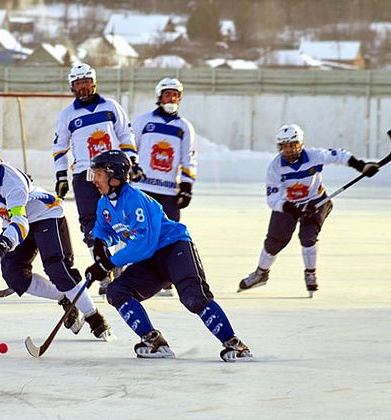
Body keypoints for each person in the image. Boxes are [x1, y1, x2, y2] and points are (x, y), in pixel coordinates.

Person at [85, 150, 252, 361]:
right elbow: (105, 228)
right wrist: (100, 245)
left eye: (98, 174)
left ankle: (235, 344)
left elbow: (143, 245)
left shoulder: (135, 200)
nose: (94, 180)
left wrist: (107, 264)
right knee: (117, 290)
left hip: (174, 248)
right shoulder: (104, 203)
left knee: (194, 297)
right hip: (152, 260)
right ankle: (154, 341)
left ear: (114, 175)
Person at [0, 137, 112, 340]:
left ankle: (94, 318)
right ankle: (65, 298)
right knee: (13, 274)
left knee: (57, 269)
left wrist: (3, 243)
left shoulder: (13, 183)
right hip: (15, 223)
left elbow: (21, 222)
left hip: (45, 216)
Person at [238, 123, 380, 297]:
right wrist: (294, 210)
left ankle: (310, 273)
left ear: (301, 144)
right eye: (284, 146)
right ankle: (261, 274)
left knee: (308, 236)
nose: (289, 150)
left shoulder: (315, 155)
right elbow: (273, 199)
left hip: (317, 201)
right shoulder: (275, 168)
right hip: (289, 205)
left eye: (293, 145)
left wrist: (361, 166)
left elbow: (339, 155)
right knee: (274, 241)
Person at [51, 63, 145, 294]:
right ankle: (104, 271)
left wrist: (132, 161)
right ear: (72, 87)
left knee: (122, 218)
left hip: (113, 169)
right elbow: (60, 147)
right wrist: (61, 175)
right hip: (86, 173)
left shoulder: (111, 106)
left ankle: (122, 266)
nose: (83, 87)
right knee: (91, 224)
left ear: (94, 83)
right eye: (78, 84)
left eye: (86, 82)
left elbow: (125, 134)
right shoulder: (67, 115)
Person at [132, 77, 197, 297]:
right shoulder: (143, 122)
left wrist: (187, 184)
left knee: (169, 234)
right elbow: (130, 149)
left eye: (175, 95)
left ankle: (166, 276)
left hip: (169, 190)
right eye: (168, 94)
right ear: (159, 97)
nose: (172, 98)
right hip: (143, 187)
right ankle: (130, 270)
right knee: (137, 230)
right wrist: (131, 169)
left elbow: (189, 157)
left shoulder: (184, 127)